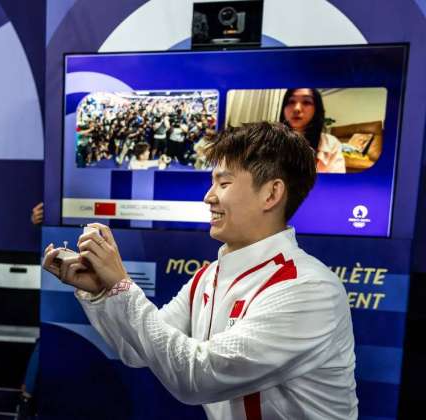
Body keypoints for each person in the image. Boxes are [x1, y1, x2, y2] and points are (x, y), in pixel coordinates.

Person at [42, 122, 357, 419]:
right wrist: (103, 291)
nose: (209, 197)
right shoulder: (208, 278)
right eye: (212, 182)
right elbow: (136, 350)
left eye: (224, 183)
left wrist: (121, 287)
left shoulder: (309, 289)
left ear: (271, 194)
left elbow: (199, 377)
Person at [279, 88, 346, 173]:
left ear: (317, 109)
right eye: (291, 102)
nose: (297, 108)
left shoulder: (331, 145)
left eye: (306, 102)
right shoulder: (271, 141)